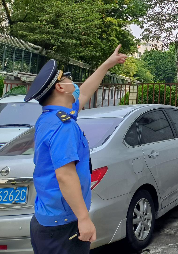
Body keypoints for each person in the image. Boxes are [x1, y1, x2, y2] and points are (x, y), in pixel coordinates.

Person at [25, 45, 127, 254]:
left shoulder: (51, 117)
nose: (72, 81)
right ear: (61, 89)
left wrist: (108, 64)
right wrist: (83, 219)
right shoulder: (63, 126)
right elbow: (65, 175)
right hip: (63, 228)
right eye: (66, 78)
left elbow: (85, 92)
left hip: (50, 223)